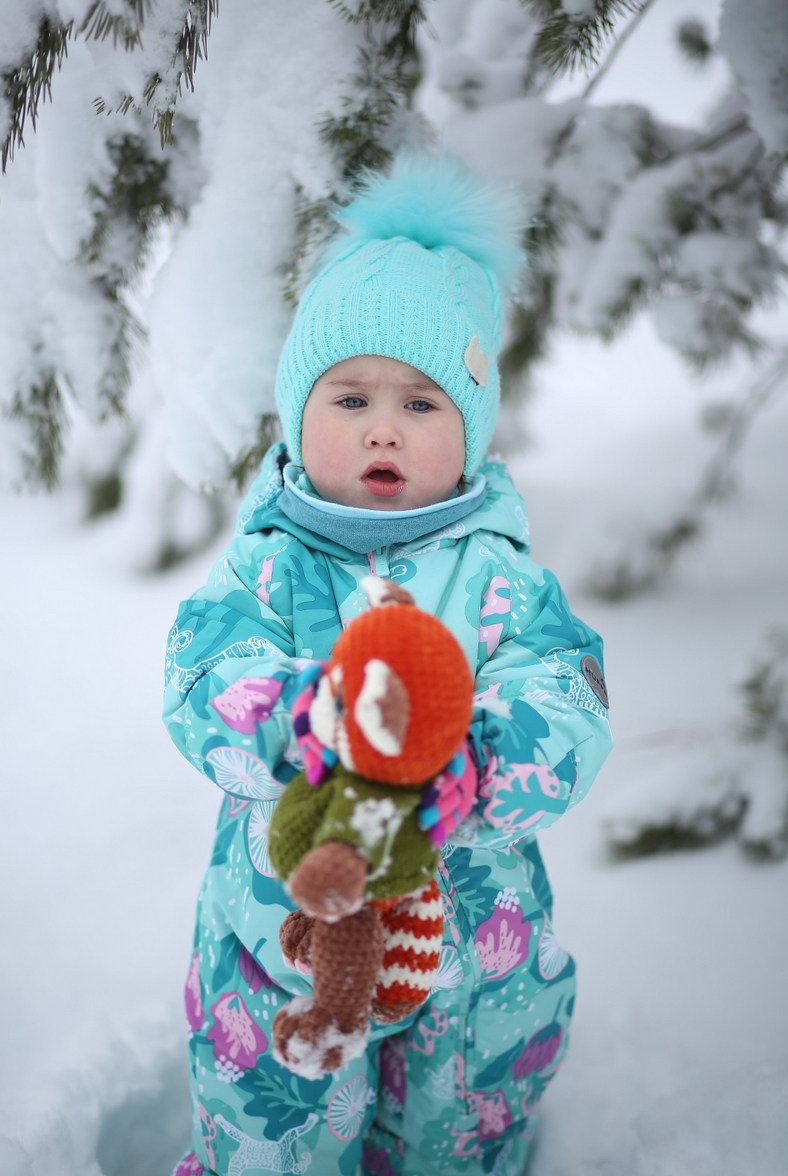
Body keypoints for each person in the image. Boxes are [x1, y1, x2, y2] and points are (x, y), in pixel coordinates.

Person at [163, 152, 612, 1176]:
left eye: (421, 404)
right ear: (297, 414)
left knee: (457, 1127)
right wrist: (308, 721)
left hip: (475, 957)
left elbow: (568, 692)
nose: (381, 426)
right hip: (286, 929)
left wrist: (475, 753)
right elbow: (202, 677)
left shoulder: (501, 580)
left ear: (470, 431)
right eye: (349, 395)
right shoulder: (266, 569)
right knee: (273, 1118)